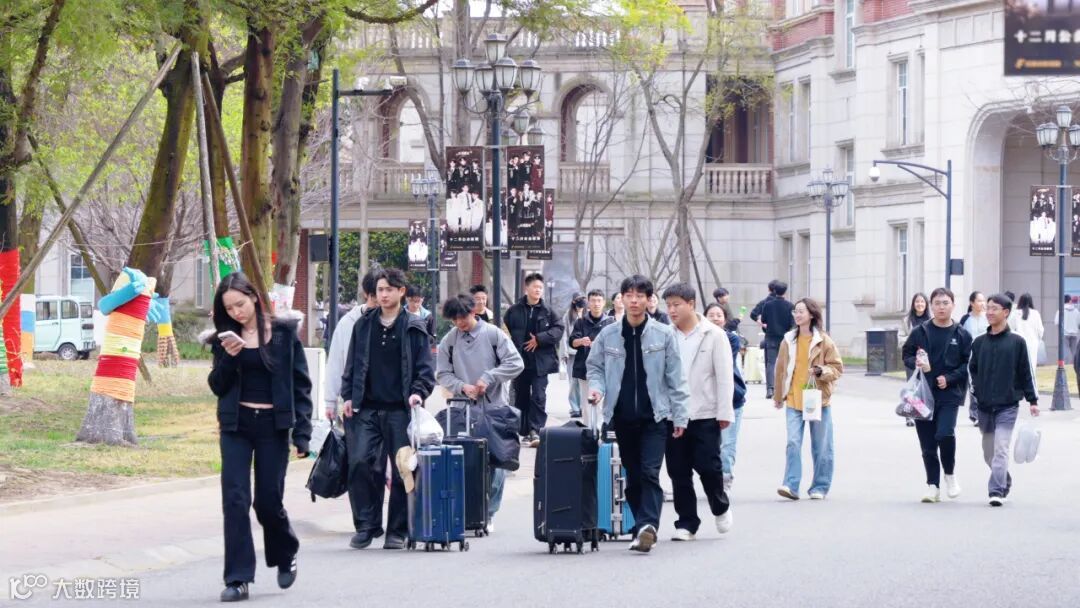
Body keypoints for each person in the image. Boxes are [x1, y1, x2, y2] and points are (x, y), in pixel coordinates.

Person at [206, 273, 312, 602]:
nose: (236, 312)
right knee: (235, 500)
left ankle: (285, 551)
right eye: (229, 308)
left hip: (272, 427)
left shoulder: (282, 333)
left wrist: (302, 433)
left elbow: (301, 385)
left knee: (267, 502)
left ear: (253, 296)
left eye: (240, 304)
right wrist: (229, 357)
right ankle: (238, 578)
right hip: (236, 426)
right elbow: (217, 386)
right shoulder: (225, 338)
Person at [586, 275, 690, 554]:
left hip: (656, 417)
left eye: (640, 296)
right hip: (622, 417)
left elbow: (676, 378)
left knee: (649, 472)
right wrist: (596, 389)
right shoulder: (607, 334)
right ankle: (641, 527)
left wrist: (680, 416)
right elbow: (594, 367)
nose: (634, 301)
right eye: (629, 295)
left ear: (648, 300)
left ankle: (647, 527)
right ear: (621, 299)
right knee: (632, 477)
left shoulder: (664, 334)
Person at [340, 268, 435, 550]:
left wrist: (418, 392)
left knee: (404, 468)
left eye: (389, 290)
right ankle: (366, 526)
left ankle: (397, 530)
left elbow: (425, 369)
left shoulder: (415, 326)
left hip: (400, 410)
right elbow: (352, 364)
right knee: (360, 464)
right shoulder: (363, 325)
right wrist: (348, 395)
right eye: (380, 290)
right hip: (366, 409)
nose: (383, 295)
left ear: (401, 292)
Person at [435, 293, 524, 534]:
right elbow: (442, 373)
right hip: (462, 410)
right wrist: (461, 386)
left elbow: (516, 363)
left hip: (494, 408)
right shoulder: (449, 341)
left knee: (496, 461)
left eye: (463, 317)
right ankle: (467, 511)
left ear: (473, 311)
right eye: (454, 319)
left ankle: (489, 512)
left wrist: (489, 377)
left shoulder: (493, 334)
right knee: (463, 460)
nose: (460, 323)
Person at [662, 284, 733, 540]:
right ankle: (687, 523)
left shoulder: (713, 334)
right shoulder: (665, 335)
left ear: (691, 304)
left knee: (709, 467)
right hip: (673, 414)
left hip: (705, 412)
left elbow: (724, 376)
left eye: (676, 304)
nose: (671, 310)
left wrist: (725, 412)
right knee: (678, 471)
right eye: (668, 305)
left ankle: (720, 506)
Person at [901, 288, 972, 503]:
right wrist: (916, 363)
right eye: (937, 303)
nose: (941, 307)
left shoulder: (962, 334)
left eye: (945, 303)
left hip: (949, 393)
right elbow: (906, 354)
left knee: (944, 434)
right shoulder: (920, 331)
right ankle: (933, 485)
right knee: (928, 443)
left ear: (953, 305)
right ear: (931, 306)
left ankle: (949, 474)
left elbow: (968, 364)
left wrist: (949, 378)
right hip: (922, 393)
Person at [969, 294, 1040, 506]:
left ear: (1006, 312)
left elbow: (1026, 373)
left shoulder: (1017, 342)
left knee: (1001, 447)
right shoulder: (979, 343)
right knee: (989, 453)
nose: (989, 312)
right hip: (984, 406)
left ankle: (996, 491)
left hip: (1008, 406)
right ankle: (1004, 479)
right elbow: (973, 370)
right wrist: (977, 391)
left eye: (994, 308)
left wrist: (1033, 400)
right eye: (988, 308)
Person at [773, 298, 843, 501]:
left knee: (821, 446)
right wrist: (778, 395)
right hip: (794, 399)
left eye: (801, 311)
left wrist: (821, 371)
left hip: (817, 400)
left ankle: (819, 487)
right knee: (793, 442)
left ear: (811, 314)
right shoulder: (788, 340)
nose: (797, 315)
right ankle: (791, 485)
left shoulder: (824, 340)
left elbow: (837, 368)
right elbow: (780, 369)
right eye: (795, 311)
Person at [503, 272, 564, 447]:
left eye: (540, 288)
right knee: (521, 396)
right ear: (526, 288)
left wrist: (540, 339)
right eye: (535, 287)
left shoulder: (548, 311)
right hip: (520, 362)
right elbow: (505, 332)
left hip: (541, 362)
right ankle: (523, 429)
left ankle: (535, 430)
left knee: (538, 396)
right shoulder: (513, 311)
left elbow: (559, 329)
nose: (538, 290)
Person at [324, 271, 378, 433]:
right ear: (366, 294)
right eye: (375, 297)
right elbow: (336, 363)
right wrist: (330, 401)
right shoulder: (348, 323)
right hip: (355, 403)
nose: (380, 301)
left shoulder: (394, 322)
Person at [706, 303, 747, 492]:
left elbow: (720, 364)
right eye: (711, 315)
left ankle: (724, 479)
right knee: (710, 446)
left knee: (727, 444)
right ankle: (713, 479)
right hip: (706, 400)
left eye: (719, 315)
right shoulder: (697, 339)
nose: (715, 318)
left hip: (732, 400)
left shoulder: (731, 339)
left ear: (725, 319)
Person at [570, 290, 614, 429]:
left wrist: (600, 345)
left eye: (599, 301)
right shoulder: (580, 322)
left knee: (603, 404)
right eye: (593, 301)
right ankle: (589, 433)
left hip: (606, 368)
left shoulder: (611, 322)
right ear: (588, 303)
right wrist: (581, 341)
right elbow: (572, 342)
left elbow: (617, 344)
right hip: (584, 368)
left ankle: (600, 432)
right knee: (586, 404)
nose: (596, 304)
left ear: (604, 303)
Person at [757, 281, 795, 400]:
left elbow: (764, 320)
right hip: (785, 338)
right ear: (785, 292)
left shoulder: (768, 305)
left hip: (771, 337)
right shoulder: (790, 306)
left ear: (774, 291)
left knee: (771, 363)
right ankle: (784, 388)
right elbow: (792, 323)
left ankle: (770, 389)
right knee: (786, 362)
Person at [900, 292, 931, 427]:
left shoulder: (931, 320)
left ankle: (922, 412)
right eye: (917, 302)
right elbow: (901, 337)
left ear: (926, 304)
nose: (920, 304)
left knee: (924, 386)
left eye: (922, 302)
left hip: (926, 358)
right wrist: (911, 342)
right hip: (912, 357)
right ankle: (909, 415)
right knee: (912, 386)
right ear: (913, 304)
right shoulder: (906, 320)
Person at [961, 291, 989, 424]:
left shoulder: (988, 317)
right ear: (972, 303)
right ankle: (975, 415)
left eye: (983, 300)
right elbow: (961, 338)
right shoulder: (965, 319)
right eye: (979, 300)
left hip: (986, 356)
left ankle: (985, 413)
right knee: (973, 384)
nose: (982, 303)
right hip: (971, 357)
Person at [1008, 293, 1044, 385]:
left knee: (1018, 365)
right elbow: (1040, 330)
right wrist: (1038, 339)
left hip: (1018, 343)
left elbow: (1009, 328)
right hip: (1032, 343)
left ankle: (1019, 385)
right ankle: (1031, 386)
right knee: (1031, 366)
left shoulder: (1015, 313)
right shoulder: (1036, 314)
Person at [563, 294, 586, 418]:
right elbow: (564, 335)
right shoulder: (568, 316)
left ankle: (583, 406)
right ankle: (575, 407)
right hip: (571, 353)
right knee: (573, 382)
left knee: (583, 381)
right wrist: (564, 352)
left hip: (585, 352)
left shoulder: (588, 315)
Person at [1055, 294, 1080, 363]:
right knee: (1074, 351)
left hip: (1064, 333)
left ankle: (1064, 365)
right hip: (1074, 334)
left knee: (1064, 351)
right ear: (1070, 301)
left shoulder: (1060, 310)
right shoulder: (1076, 311)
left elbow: (1056, 322)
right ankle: (1075, 364)